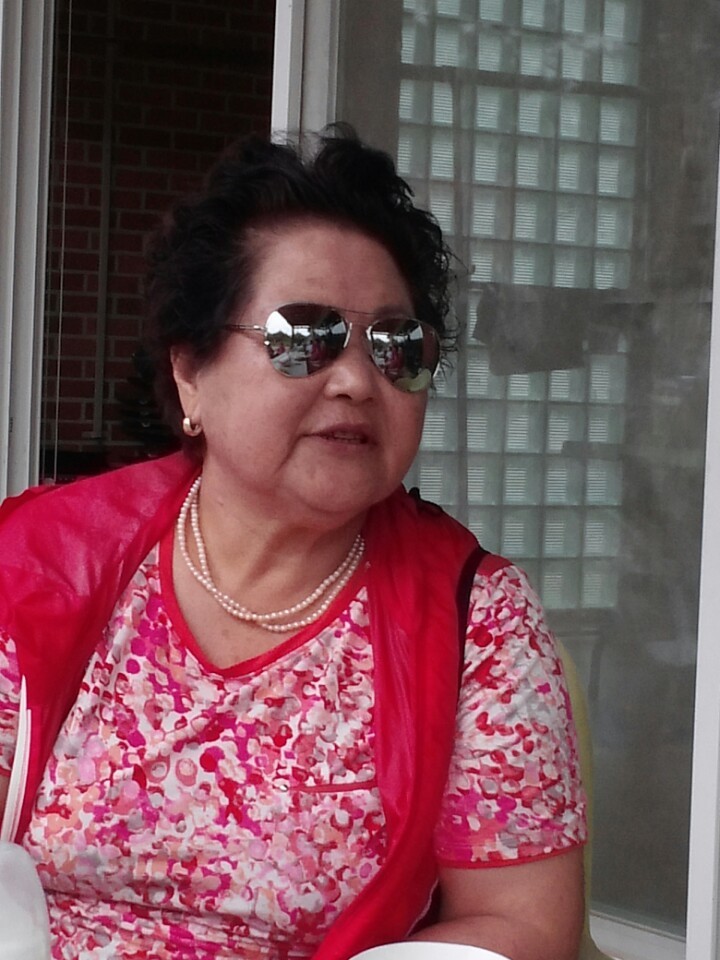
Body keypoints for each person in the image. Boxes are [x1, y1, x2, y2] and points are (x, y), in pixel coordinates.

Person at [0, 128, 587, 960]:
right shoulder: (40, 562)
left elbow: (524, 924)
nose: (356, 381)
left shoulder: (478, 624)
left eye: (396, 346)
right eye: (303, 336)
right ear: (190, 372)